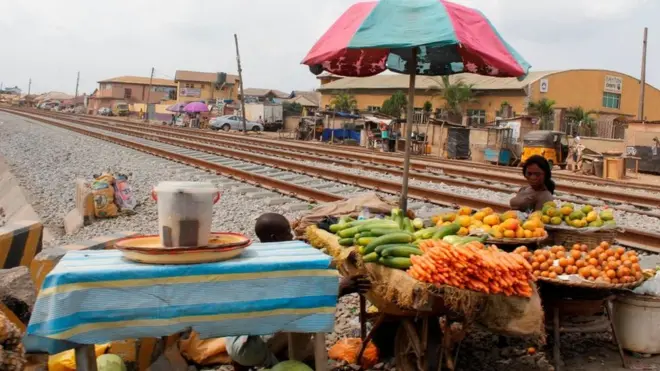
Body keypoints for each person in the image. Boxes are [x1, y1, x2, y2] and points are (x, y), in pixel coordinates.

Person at [226, 213, 370, 370]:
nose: (292, 236)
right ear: (274, 238)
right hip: (247, 348)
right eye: (288, 232)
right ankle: (290, 360)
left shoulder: (258, 254)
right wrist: (339, 289)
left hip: (235, 337)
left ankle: (249, 360)